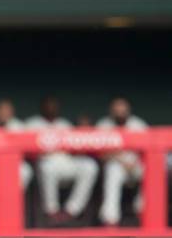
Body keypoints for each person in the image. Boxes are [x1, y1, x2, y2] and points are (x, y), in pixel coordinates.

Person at [25, 97, 99, 224]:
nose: (51, 108)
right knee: (47, 167)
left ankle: (73, 209)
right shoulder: (32, 124)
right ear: (42, 107)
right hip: (45, 161)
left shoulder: (64, 124)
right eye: (48, 105)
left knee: (90, 166)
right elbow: (25, 149)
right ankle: (51, 210)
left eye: (54, 106)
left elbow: (75, 147)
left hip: (66, 160)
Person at [96, 97, 147, 226]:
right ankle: (110, 218)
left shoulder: (138, 125)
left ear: (128, 111)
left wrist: (135, 162)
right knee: (113, 171)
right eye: (117, 110)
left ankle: (142, 210)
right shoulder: (103, 125)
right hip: (115, 164)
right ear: (111, 111)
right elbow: (100, 154)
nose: (120, 113)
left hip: (136, 164)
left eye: (123, 110)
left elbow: (148, 150)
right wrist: (121, 160)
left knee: (151, 170)